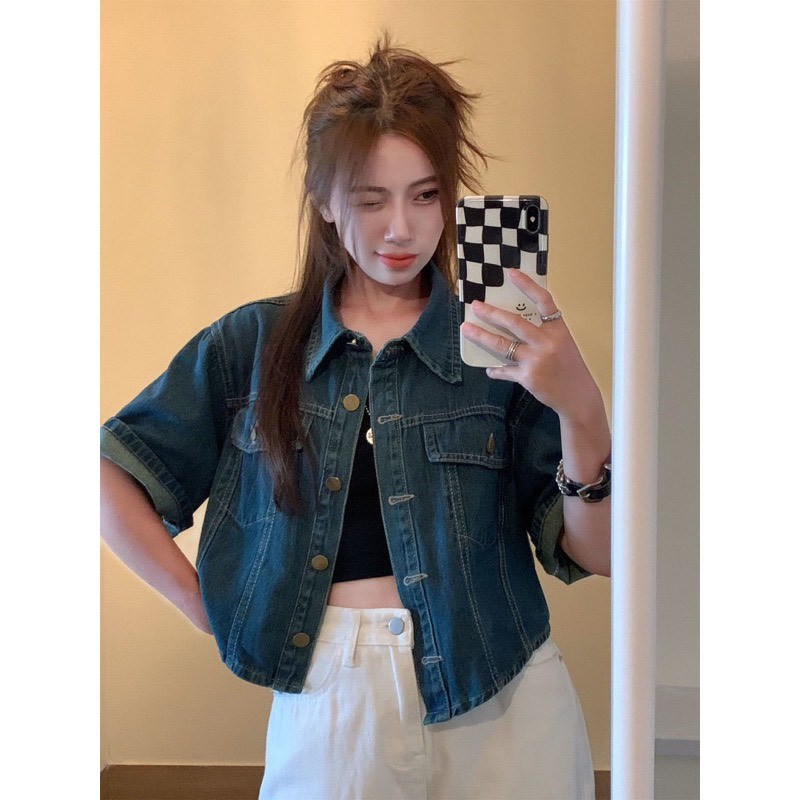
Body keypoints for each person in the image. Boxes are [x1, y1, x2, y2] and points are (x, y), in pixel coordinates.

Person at [100, 32, 611, 800]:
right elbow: (110, 474)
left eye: (426, 195)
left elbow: (595, 552)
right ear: (324, 201)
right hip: (332, 701)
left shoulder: (501, 345)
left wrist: (581, 407)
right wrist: (199, 601)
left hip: (507, 697)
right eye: (371, 199)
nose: (400, 228)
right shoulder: (251, 345)